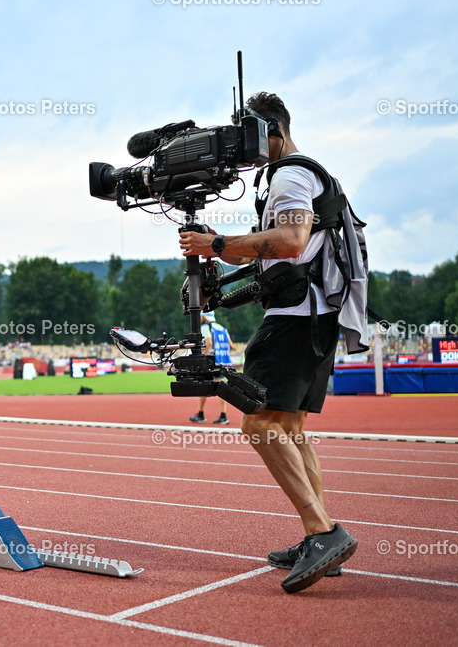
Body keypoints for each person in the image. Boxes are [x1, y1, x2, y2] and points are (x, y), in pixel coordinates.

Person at [179, 92, 357, 593]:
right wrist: (225, 245)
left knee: (257, 425)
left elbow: (292, 241)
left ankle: (323, 532)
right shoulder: (300, 175)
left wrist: (214, 245)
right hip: (316, 315)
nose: (243, 154)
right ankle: (318, 537)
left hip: (296, 318)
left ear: (271, 131)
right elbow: (274, 253)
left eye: (248, 140)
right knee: (291, 427)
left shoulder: (291, 175)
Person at [189, 312, 232, 425]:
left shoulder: (205, 327)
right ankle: (223, 416)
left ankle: (200, 414)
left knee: (203, 386)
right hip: (221, 362)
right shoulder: (222, 328)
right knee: (222, 388)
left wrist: (201, 357)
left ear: (204, 317)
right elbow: (231, 346)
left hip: (210, 361)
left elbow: (209, 342)